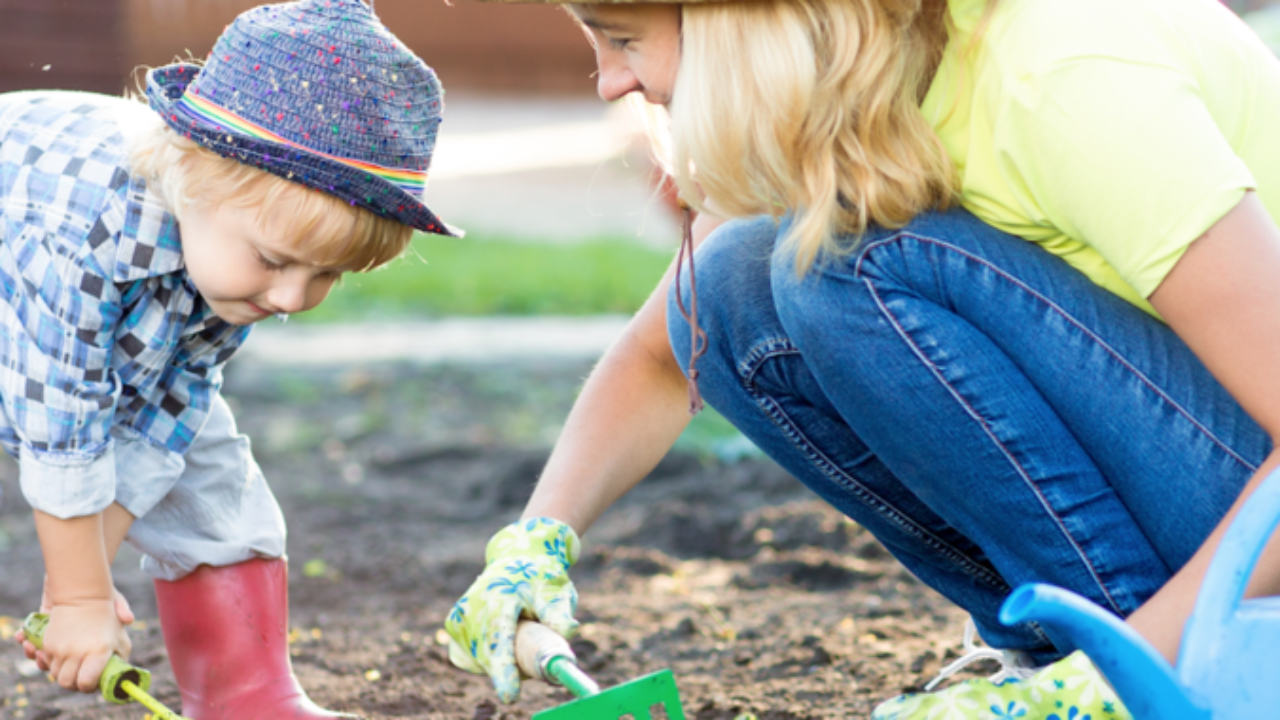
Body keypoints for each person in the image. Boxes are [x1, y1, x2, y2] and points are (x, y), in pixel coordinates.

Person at [443, 0, 1280, 717]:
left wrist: (1109, 683)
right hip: (1221, 519)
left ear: (745, 24)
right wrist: (533, 542)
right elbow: (664, 353)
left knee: (843, 270)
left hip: (1259, 549)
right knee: (735, 278)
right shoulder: (877, 78)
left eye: (623, 38)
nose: (608, 83)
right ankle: (1050, 660)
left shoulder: (1061, 82)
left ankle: (1141, 678)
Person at [3, 0, 457, 718]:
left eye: (326, 276)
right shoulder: (85, 237)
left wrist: (72, 587)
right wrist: (84, 595)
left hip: (81, 339)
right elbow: (65, 426)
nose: (292, 297)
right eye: (277, 261)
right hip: (26, 303)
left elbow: (165, 414)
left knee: (210, 476)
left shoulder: (232, 269)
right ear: (192, 177)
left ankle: (249, 697)